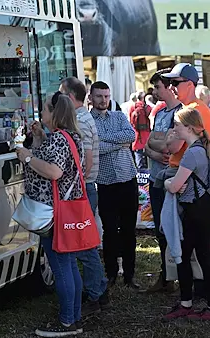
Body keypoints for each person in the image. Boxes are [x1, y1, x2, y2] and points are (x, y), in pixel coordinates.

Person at [17, 92, 86, 336]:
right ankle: (74, 319)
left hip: (53, 213)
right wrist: (40, 139)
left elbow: (54, 171)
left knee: (61, 268)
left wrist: (27, 157)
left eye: (44, 109)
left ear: (54, 112)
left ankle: (67, 322)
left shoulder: (59, 139)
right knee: (69, 266)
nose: (41, 113)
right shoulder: (71, 137)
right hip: (66, 211)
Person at [162, 107, 210, 321]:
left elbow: (175, 186)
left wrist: (168, 182)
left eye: (177, 124)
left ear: (188, 127)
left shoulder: (192, 153)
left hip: (196, 210)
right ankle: (203, 305)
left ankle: (202, 306)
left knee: (188, 256)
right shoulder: (202, 147)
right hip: (205, 208)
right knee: (200, 256)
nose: (174, 128)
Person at [162, 62, 210, 300]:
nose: (170, 87)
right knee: (192, 246)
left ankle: (197, 294)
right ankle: (198, 294)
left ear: (190, 85)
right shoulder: (193, 108)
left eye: (175, 83)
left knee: (189, 246)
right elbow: (166, 144)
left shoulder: (193, 109)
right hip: (188, 178)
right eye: (169, 83)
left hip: (187, 181)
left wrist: (166, 141)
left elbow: (171, 146)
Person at [59, 78, 110, 314]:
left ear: (69, 97)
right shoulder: (84, 117)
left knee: (83, 245)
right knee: (85, 243)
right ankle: (99, 289)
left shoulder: (79, 118)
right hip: (87, 187)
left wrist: (77, 180)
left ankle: (96, 294)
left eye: (61, 94)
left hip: (84, 189)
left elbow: (87, 158)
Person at [89, 81, 140, 289]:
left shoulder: (119, 116)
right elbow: (94, 149)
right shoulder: (88, 122)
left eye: (107, 96)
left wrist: (105, 139)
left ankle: (129, 274)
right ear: (91, 98)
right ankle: (111, 273)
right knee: (110, 230)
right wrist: (116, 144)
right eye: (100, 96)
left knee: (129, 229)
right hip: (106, 182)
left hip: (128, 179)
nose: (104, 100)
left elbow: (131, 136)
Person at [142, 69, 182, 294]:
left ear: (169, 87)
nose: (155, 92)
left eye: (158, 87)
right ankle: (166, 275)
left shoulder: (180, 113)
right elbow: (149, 144)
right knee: (160, 229)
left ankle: (178, 274)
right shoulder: (159, 114)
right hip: (156, 177)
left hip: (171, 180)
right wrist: (156, 150)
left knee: (174, 229)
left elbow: (170, 145)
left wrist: (158, 145)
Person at [129, 91, 152, 168]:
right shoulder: (147, 107)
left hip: (136, 138)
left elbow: (130, 122)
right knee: (149, 164)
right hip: (147, 138)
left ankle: (140, 178)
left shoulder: (132, 107)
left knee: (139, 163)